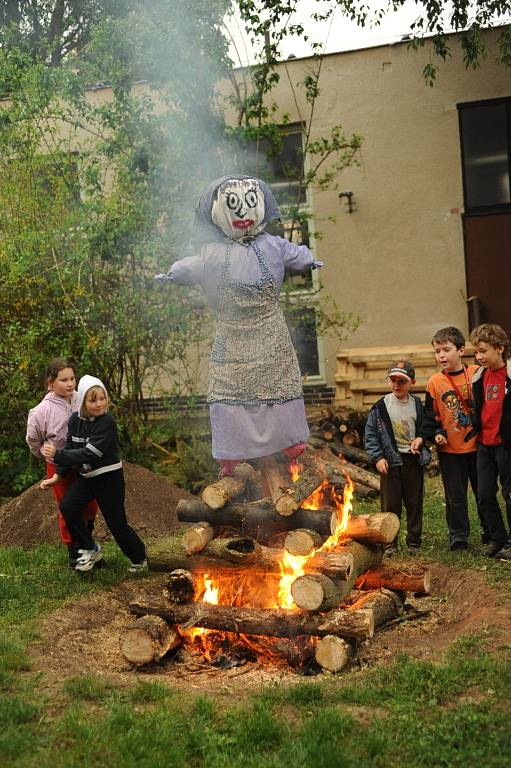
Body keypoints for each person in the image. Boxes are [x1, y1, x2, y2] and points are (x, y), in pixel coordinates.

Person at [155, 175, 323, 475]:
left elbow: (298, 255)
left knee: (279, 385)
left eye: (248, 205)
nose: (243, 214)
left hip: (270, 334)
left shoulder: (273, 245)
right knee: (228, 391)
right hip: (231, 337)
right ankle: (231, 455)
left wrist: (310, 259)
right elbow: (189, 266)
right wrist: (173, 272)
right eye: (234, 206)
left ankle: (290, 443)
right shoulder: (213, 253)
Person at [40, 375, 147, 573]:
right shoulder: (75, 420)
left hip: (108, 478)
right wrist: (57, 476)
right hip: (88, 477)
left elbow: (90, 453)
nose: (99, 404)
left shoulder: (107, 422)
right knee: (68, 506)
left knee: (116, 524)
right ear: (82, 401)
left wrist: (58, 455)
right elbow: (72, 446)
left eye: (102, 398)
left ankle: (139, 558)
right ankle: (90, 548)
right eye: (93, 400)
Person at [26, 358, 99, 568]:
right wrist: (47, 455)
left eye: (72, 378)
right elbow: (33, 440)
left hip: (85, 461)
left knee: (91, 505)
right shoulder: (41, 411)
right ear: (51, 382)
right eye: (63, 380)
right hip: (59, 466)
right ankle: (74, 552)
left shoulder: (82, 400)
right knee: (68, 507)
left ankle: (88, 547)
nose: (70, 384)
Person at [422, 326, 489, 551]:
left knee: (484, 493)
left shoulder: (477, 373)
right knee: (455, 496)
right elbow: (431, 417)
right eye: (437, 351)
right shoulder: (434, 382)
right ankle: (458, 536)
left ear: (460, 350)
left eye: (446, 350)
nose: (441, 355)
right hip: (451, 450)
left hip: (479, 446)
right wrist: (437, 434)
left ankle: (490, 531)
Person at [364, 360, 431, 555]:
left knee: (414, 501)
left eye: (402, 381)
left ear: (411, 382)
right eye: (393, 380)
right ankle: (390, 543)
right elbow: (371, 434)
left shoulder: (417, 405)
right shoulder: (381, 406)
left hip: (412, 459)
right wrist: (378, 458)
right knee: (390, 504)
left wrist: (421, 439)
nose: (397, 385)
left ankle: (414, 541)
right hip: (390, 460)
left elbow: (425, 427)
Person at [467, 324, 511, 560]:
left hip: (506, 446)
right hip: (485, 445)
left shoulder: (510, 374)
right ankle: (498, 539)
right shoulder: (479, 376)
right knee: (484, 494)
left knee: (509, 494)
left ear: (500, 348)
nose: (479, 356)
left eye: (483, 351)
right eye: (477, 352)